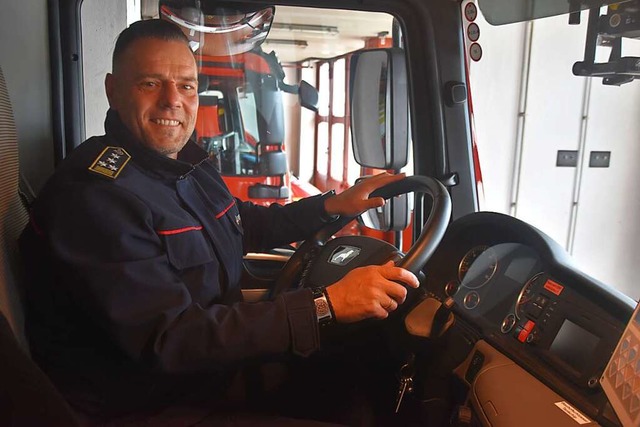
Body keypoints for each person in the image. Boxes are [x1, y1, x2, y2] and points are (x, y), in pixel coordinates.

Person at [20, 19, 419, 426]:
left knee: (349, 377)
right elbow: (172, 339)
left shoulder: (184, 165)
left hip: (206, 375)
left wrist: (333, 206)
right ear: (113, 90)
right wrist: (326, 304)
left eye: (186, 85)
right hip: (153, 407)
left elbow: (240, 224)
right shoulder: (93, 199)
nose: (172, 100)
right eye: (150, 83)